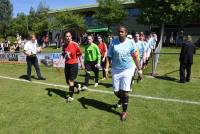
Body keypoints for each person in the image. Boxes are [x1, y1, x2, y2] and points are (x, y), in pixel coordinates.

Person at [108, 26, 142, 121]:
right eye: (119, 32)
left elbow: (135, 57)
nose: (120, 33)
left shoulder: (131, 43)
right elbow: (109, 56)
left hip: (127, 69)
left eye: (122, 32)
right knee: (116, 91)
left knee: (125, 92)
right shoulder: (113, 42)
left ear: (126, 33)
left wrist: (139, 70)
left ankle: (124, 111)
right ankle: (123, 99)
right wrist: (107, 67)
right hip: (115, 69)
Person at [62, 32, 83, 102]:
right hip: (67, 64)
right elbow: (63, 54)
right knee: (68, 82)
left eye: (69, 36)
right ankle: (77, 85)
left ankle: (70, 97)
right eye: (66, 36)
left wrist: (82, 63)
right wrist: (61, 59)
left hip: (74, 64)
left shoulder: (75, 44)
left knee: (71, 81)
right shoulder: (64, 45)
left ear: (71, 37)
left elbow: (79, 55)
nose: (68, 37)